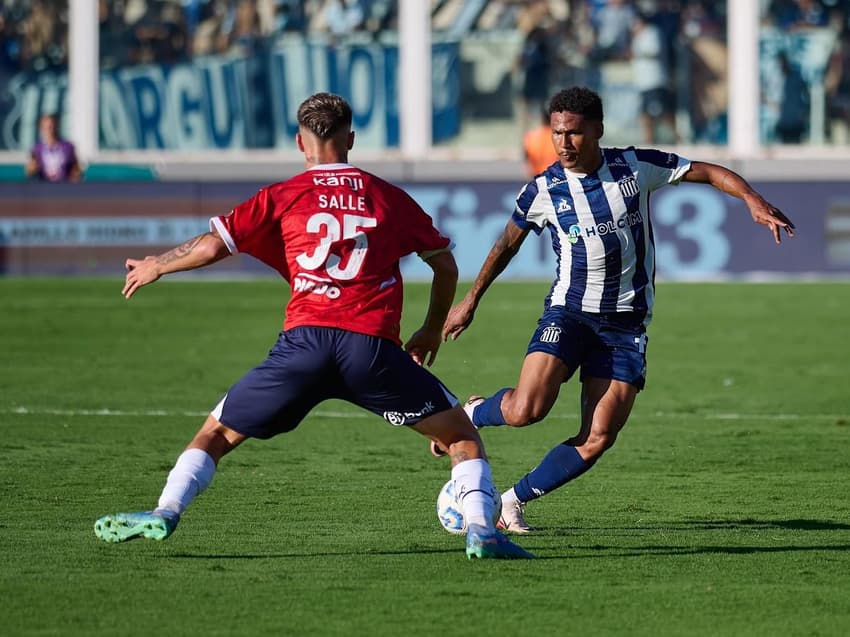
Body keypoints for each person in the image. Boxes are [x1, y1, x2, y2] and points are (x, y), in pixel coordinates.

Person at [93, 92, 532, 560]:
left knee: (215, 435)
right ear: (351, 140)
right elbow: (444, 265)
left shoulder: (282, 195)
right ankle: (482, 530)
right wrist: (429, 328)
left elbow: (212, 246)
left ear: (300, 142)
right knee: (461, 437)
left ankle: (166, 510)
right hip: (370, 351)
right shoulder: (388, 197)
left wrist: (157, 264)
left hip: (303, 347)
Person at [434, 86, 795, 533]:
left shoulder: (633, 167)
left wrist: (751, 198)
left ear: (597, 130)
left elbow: (706, 171)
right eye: (557, 133)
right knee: (527, 410)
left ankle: (511, 501)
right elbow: (508, 243)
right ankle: (472, 413)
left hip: (626, 324)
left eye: (574, 133)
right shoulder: (544, 189)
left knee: (598, 437)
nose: (564, 143)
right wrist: (471, 299)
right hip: (569, 313)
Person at [25, 113, 81, 183]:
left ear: (57, 127)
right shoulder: (37, 148)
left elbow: (76, 169)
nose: (50, 130)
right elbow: (29, 171)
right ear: (41, 129)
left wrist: (75, 175)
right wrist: (32, 169)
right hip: (44, 186)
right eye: (46, 127)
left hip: (64, 186)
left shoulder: (68, 147)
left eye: (52, 126)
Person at [522, 106, 559, 178]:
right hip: (557, 178)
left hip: (537, 177)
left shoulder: (531, 136)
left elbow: (526, 158)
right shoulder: (560, 137)